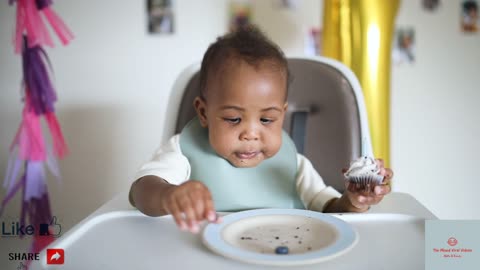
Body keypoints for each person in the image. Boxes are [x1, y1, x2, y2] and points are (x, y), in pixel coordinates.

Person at [129, 26, 394, 234]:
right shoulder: (185, 150)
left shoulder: (293, 163)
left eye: (266, 120)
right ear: (203, 112)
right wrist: (169, 195)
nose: (251, 134)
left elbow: (330, 209)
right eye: (233, 119)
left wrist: (354, 201)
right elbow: (140, 191)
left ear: (282, 113)